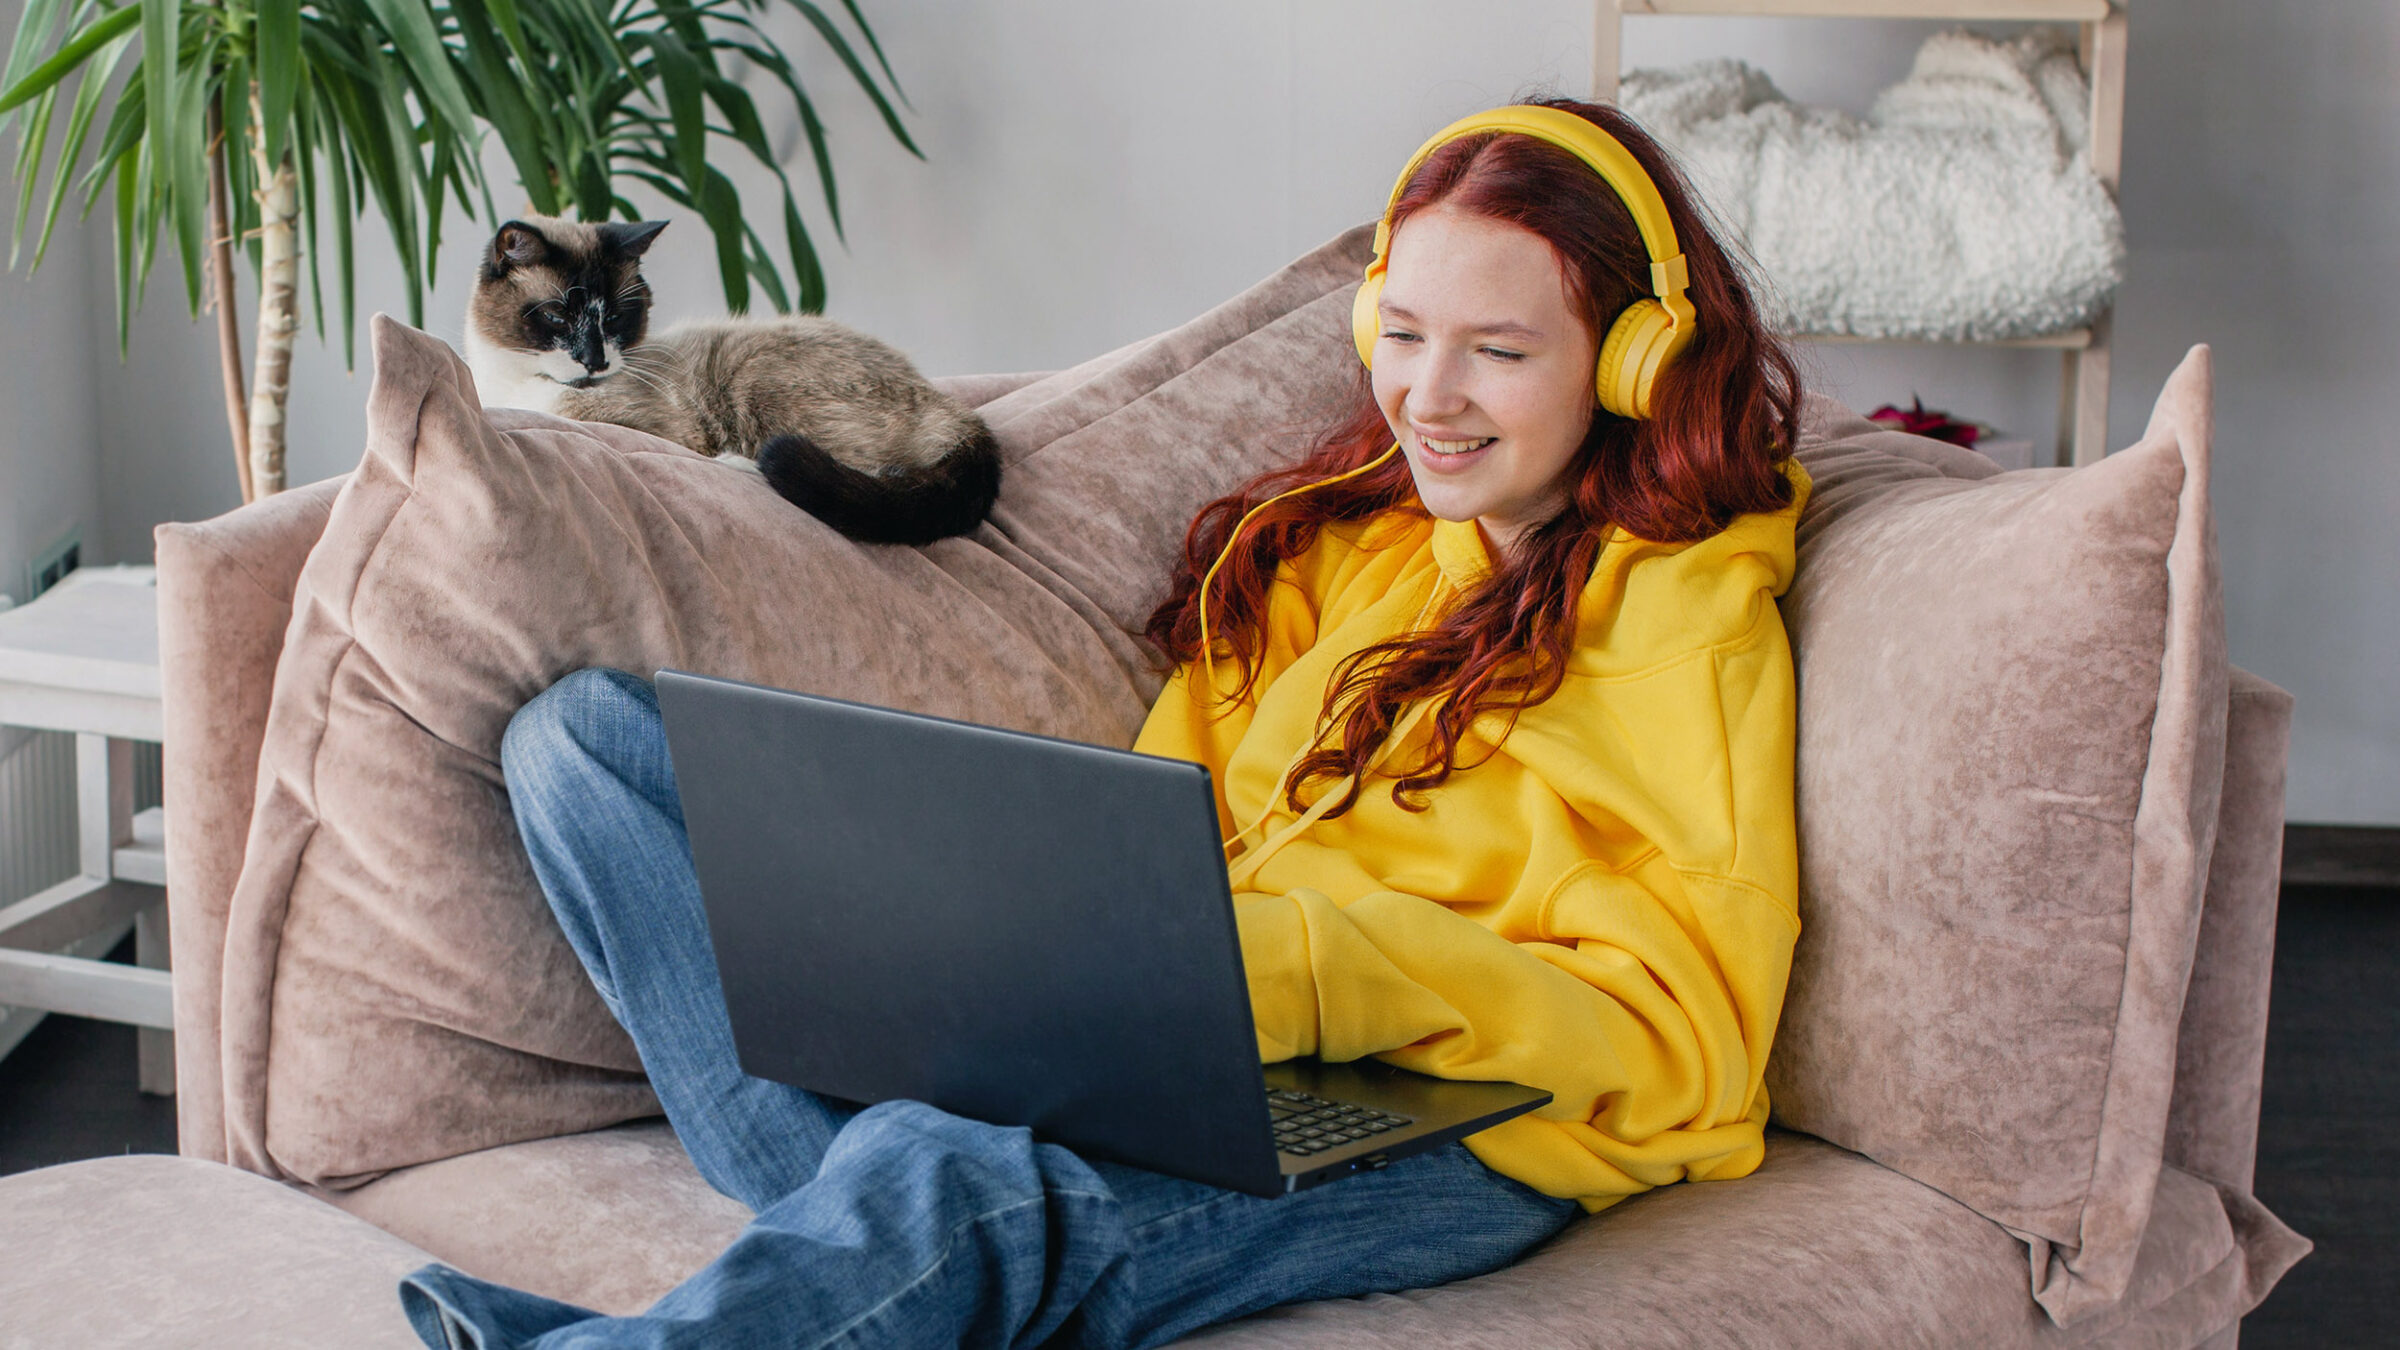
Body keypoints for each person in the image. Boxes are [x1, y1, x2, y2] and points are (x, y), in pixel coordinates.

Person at [400, 96, 1810, 1349]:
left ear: (1634, 360)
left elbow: (1686, 1036)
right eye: (1406, 336)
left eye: (1496, 352)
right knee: (581, 745)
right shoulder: (1339, 548)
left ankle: (817, 1255)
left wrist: (1315, 970)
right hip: (1191, 1037)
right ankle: (883, 1221)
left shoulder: (1690, 612)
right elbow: (1159, 844)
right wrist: (1057, 948)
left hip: (1478, 1124)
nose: (1427, 399)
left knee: (962, 1177)